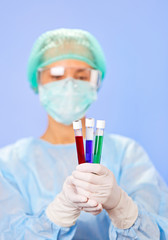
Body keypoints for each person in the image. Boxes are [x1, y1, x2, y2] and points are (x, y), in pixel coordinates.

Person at [0, 28, 168, 240]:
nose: (69, 85)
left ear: (95, 84)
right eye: (57, 75)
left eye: (81, 76)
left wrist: (121, 207)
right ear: (39, 82)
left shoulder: (127, 154)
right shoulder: (8, 164)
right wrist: (58, 214)